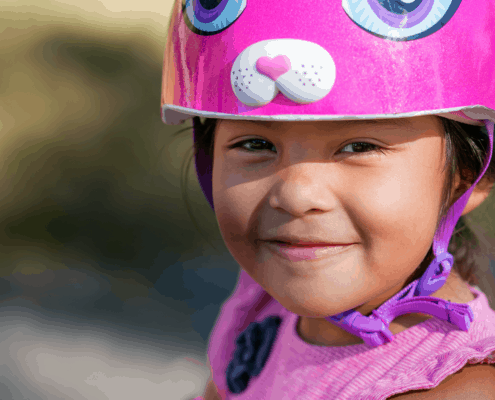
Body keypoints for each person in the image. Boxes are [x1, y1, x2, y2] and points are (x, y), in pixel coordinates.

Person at [161, 0, 495, 398]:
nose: (297, 196)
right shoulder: (262, 310)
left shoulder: (460, 390)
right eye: (255, 143)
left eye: (357, 147)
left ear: (469, 179)